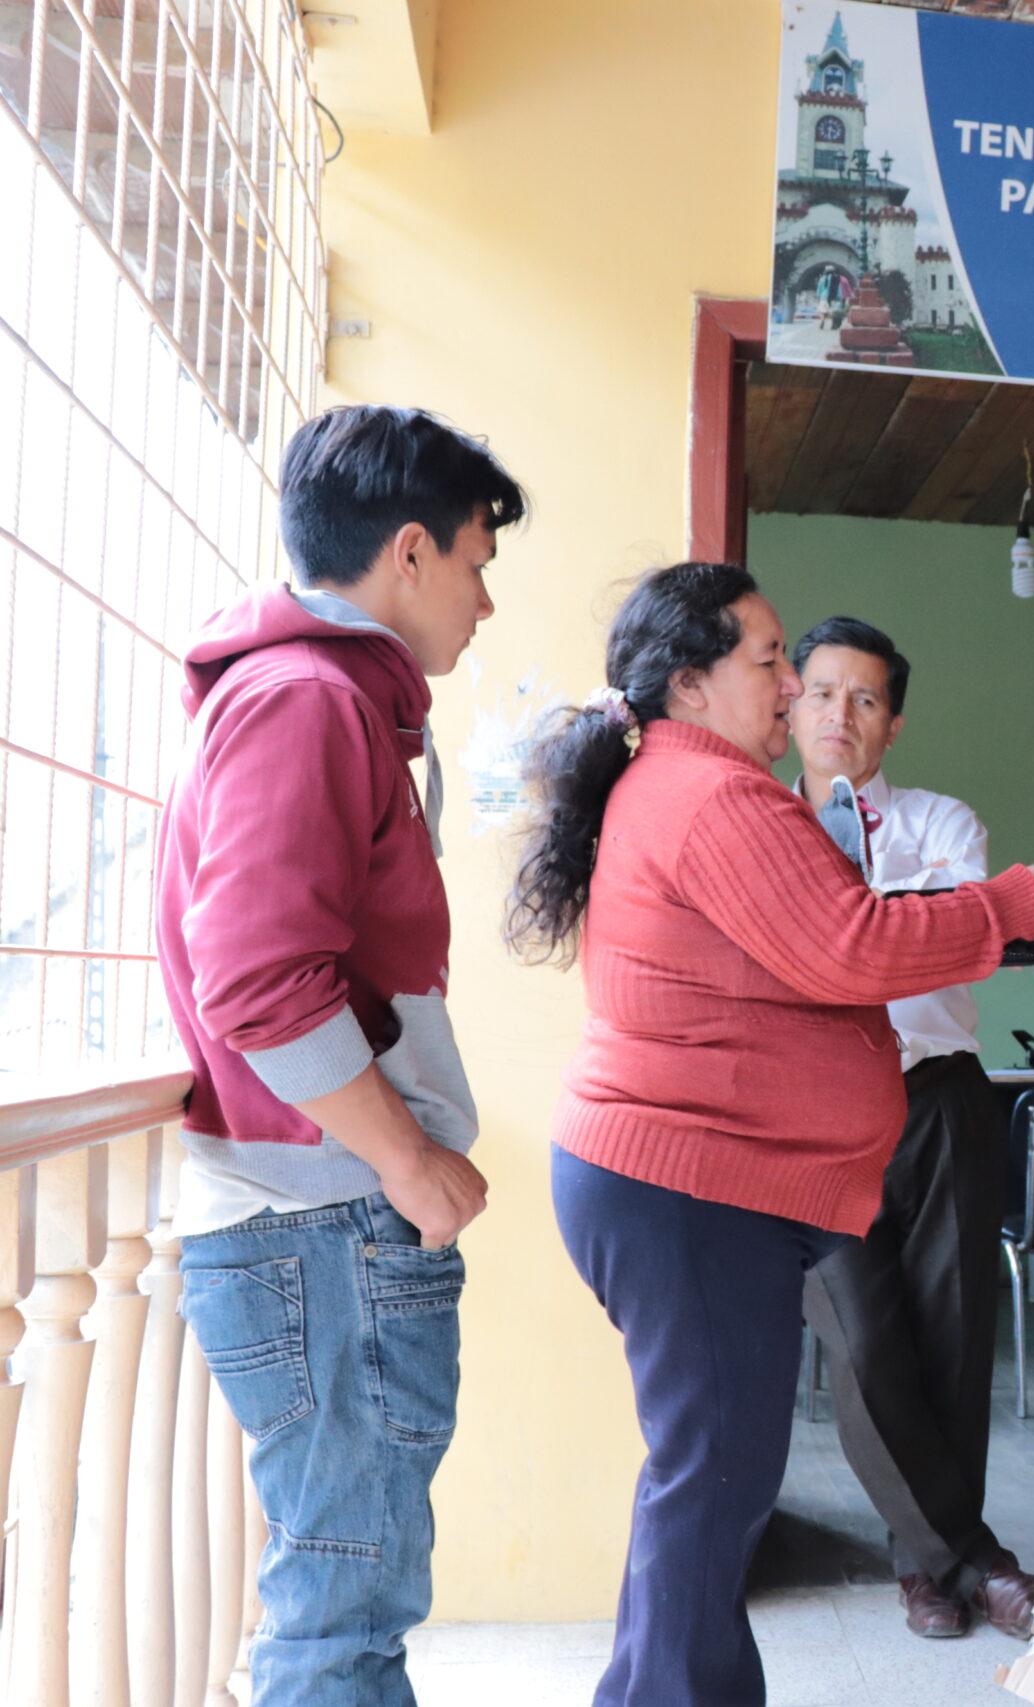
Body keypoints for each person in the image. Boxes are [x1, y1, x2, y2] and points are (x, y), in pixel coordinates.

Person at [505, 565, 1034, 1704]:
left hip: (700, 1185)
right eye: (773, 661)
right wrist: (1027, 899)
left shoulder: (698, 786)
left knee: (704, 1481)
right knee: (713, 1482)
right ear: (690, 681)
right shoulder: (711, 797)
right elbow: (857, 950)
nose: (795, 688)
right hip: (690, 1192)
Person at [157, 405, 525, 1704]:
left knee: (350, 1587)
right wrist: (407, 1158)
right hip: (323, 1222)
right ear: (410, 551)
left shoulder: (315, 698)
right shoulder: (309, 701)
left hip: (314, 1222)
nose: (485, 599)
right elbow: (257, 977)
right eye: (479, 562)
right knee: (344, 1608)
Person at [785, 615, 1034, 1640]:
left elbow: (957, 942)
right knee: (865, 1342)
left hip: (936, 1097)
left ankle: (923, 1572)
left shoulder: (942, 819)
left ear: (892, 723)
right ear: (789, 705)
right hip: (809, 1119)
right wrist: (893, 922)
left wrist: (854, 929)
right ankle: (972, 1559)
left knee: (951, 1334)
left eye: (864, 698)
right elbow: (887, 939)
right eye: (820, 692)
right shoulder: (755, 824)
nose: (839, 713)